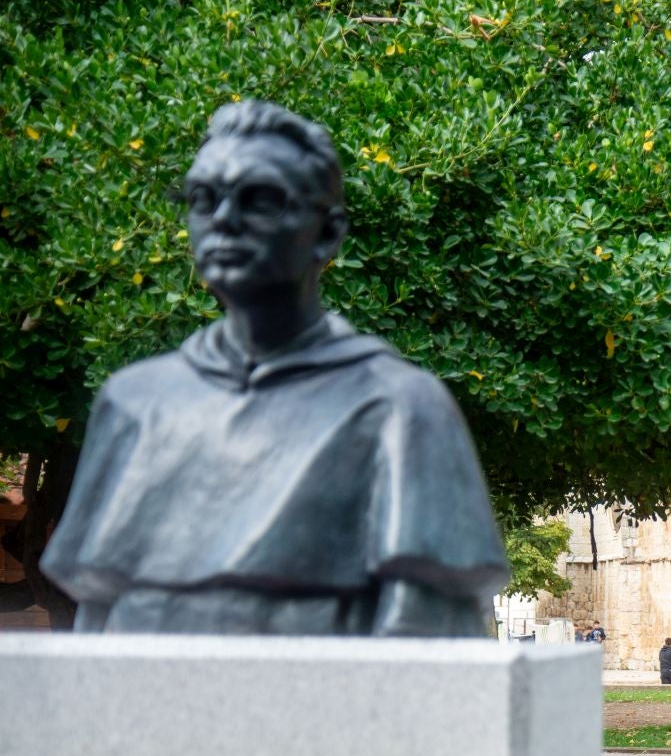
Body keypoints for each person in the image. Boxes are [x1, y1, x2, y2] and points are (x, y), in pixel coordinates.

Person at [41, 100, 506, 635]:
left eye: (259, 200)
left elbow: (425, 647)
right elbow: (98, 626)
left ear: (328, 233)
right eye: (202, 199)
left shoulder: (401, 410)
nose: (224, 221)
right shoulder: (134, 403)